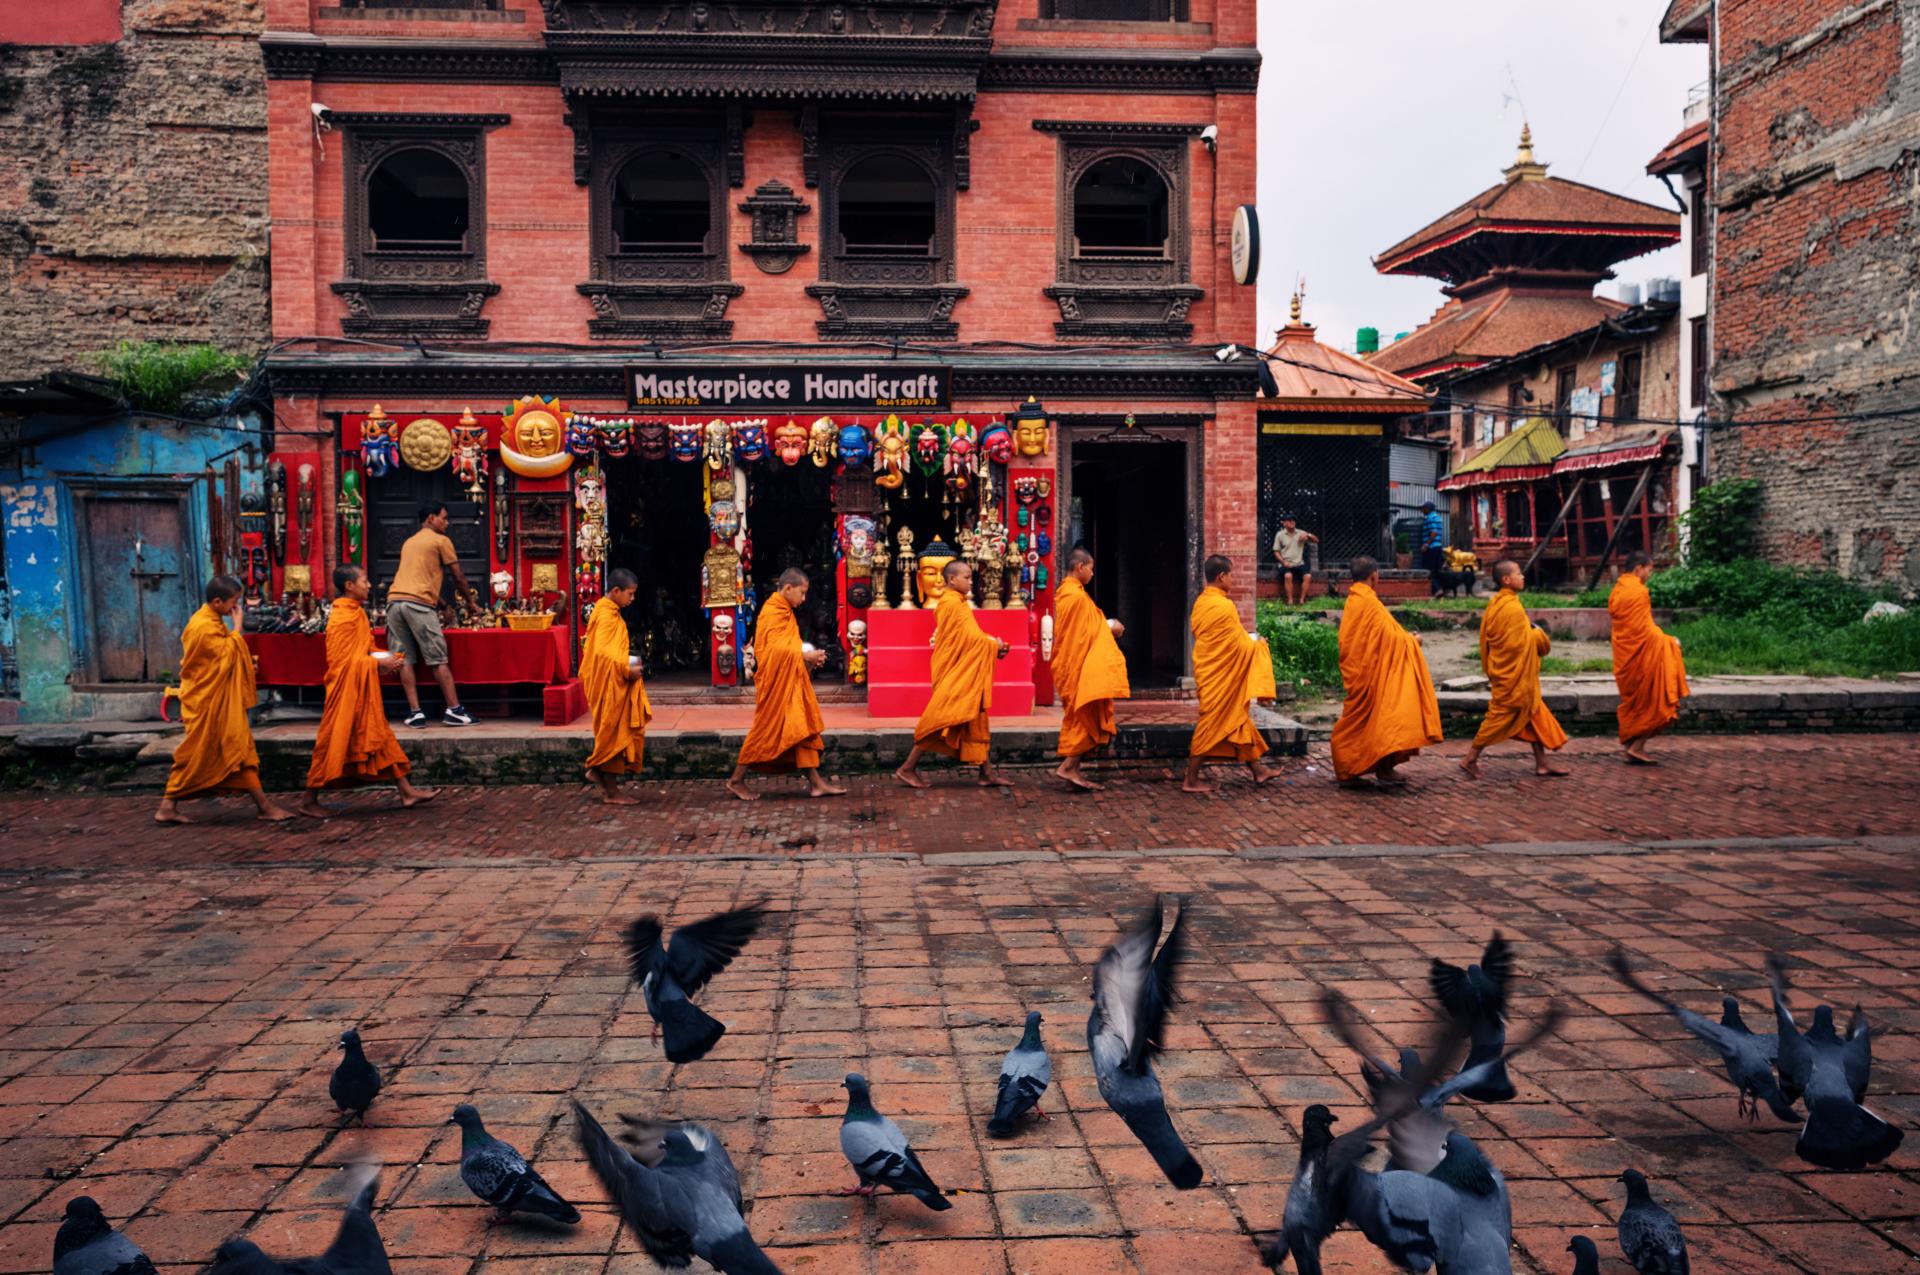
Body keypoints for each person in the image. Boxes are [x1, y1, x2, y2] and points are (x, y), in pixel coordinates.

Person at [298, 565, 438, 817]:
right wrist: (377, 663)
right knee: (333, 741)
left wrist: (389, 658)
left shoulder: (357, 613)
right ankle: (309, 799)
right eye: (364, 580)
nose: (369, 584)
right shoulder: (342, 617)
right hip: (345, 690)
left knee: (380, 737)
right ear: (349, 586)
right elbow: (341, 662)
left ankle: (406, 792)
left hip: (361, 688)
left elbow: (365, 648)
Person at [154, 576, 294, 825]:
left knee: (239, 749)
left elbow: (221, 656)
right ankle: (167, 806)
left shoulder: (212, 620)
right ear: (217, 602)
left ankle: (264, 805)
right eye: (233, 602)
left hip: (219, 699)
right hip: (207, 700)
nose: (236, 607)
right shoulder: (202, 627)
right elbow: (222, 659)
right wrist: (237, 629)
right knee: (199, 752)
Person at [727, 568, 846, 801]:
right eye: (802, 593)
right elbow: (773, 650)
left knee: (800, 728)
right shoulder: (772, 612)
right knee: (764, 730)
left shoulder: (784, 611)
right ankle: (735, 780)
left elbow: (786, 644)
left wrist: (808, 658)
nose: (803, 599)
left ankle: (816, 783)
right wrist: (804, 656)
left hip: (788, 680)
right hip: (775, 684)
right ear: (788, 588)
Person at [895, 560, 1011, 789]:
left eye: (970, 577)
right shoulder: (951, 604)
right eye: (967, 577)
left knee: (974, 716)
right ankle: (907, 768)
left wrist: (992, 644)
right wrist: (993, 645)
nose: (971, 581)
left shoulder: (957, 603)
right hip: (955, 669)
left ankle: (986, 772)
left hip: (964, 667)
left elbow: (971, 635)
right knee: (942, 717)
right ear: (951, 580)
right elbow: (969, 639)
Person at [1329, 555, 1443, 788]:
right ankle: (1349, 769)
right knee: (1384, 715)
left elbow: (1376, 635)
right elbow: (1390, 638)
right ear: (1374, 576)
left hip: (1365, 669)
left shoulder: (1355, 599)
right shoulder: (1369, 603)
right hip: (1369, 674)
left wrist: (1404, 638)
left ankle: (1385, 767)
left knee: (1383, 717)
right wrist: (1413, 640)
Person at [1459, 559, 1569, 779]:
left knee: (1534, 714)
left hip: (1517, 677)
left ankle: (1542, 763)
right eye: (1519, 574)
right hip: (1512, 676)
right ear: (1506, 580)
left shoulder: (1499, 603)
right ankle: (1470, 758)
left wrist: (1531, 633)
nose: (1523, 577)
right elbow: (1514, 645)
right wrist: (1537, 634)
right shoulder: (1509, 607)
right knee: (1498, 717)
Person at [1184, 555, 1281, 792]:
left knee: (1237, 719)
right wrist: (1259, 645)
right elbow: (1238, 645)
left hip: (1209, 669)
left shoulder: (1201, 602)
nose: (1233, 579)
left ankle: (1258, 771)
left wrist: (1250, 642)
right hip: (1217, 675)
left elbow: (1227, 639)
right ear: (1221, 576)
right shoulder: (1223, 606)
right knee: (1211, 724)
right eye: (1231, 575)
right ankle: (1191, 779)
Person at [386, 503, 480, 728]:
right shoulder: (441, 540)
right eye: (444, 518)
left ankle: (415, 712)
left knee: (402, 658)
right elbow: (457, 575)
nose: (447, 523)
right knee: (438, 658)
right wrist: (470, 602)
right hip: (418, 605)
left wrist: (444, 604)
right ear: (431, 518)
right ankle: (455, 710)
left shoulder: (410, 542)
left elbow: (417, 578)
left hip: (394, 602)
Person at [1051, 548, 1131, 791]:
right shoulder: (1074, 597)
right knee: (1085, 711)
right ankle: (1067, 766)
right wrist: (1110, 627)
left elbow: (1085, 628)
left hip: (1074, 663)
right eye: (1091, 568)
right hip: (1077, 665)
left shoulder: (1071, 593)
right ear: (1080, 567)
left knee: (1085, 714)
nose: (1093, 573)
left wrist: (1103, 626)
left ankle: (1073, 768)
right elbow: (1085, 634)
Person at [1609, 550, 1690, 764]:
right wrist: (1669, 641)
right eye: (1649, 570)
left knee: (1637, 701)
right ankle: (1637, 747)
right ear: (1638, 569)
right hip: (1641, 654)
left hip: (1625, 656)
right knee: (1657, 700)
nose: (1650, 574)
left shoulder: (1618, 589)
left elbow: (1634, 627)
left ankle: (1632, 745)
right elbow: (1643, 630)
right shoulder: (1638, 592)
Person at [581, 568, 651, 805]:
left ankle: (599, 774)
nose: (632, 599)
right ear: (615, 591)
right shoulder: (605, 614)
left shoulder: (611, 612)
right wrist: (626, 667)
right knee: (612, 731)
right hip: (607, 682)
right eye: (630, 594)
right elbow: (602, 652)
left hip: (611, 679)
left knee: (612, 731)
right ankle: (611, 791)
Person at [1271, 515, 1320, 606]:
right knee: (1288, 576)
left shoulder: (1300, 532)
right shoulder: (1280, 534)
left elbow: (1316, 540)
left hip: (1299, 563)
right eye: (1289, 520)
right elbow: (1276, 551)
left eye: (1293, 520)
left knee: (1308, 576)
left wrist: (1308, 535)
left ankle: (1301, 600)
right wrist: (1283, 562)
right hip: (1286, 563)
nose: (1292, 522)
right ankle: (1290, 600)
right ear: (1284, 523)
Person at [1420, 500, 1447, 597]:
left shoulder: (1430, 518)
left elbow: (1434, 532)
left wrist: (1426, 545)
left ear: (1427, 509)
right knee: (1436, 570)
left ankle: (1437, 589)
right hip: (1438, 547)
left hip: (1431, 548)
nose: (1422, 510)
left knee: (1428, 570)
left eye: (1423, 508)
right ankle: (1441, 590)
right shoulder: (1438, 517)